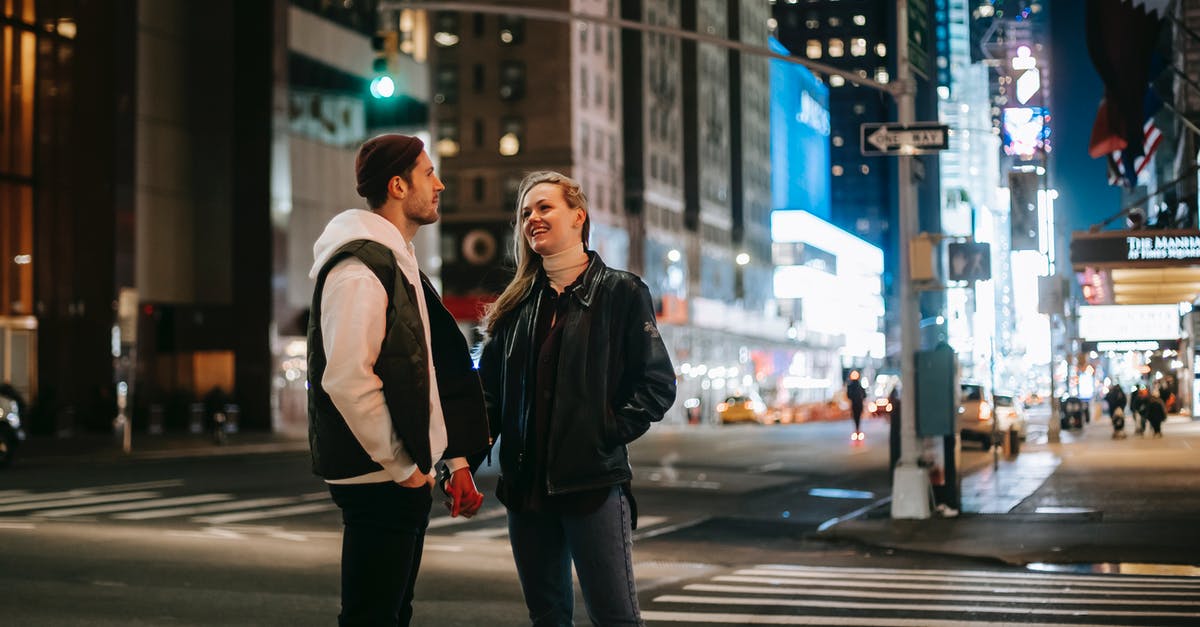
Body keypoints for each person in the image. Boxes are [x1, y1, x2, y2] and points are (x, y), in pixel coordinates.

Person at [474, 171, 676, 626]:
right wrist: (462, 462)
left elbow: (657, 383)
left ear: (578, 216)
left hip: (592, 488)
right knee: (547, 618)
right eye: (525, 212)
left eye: (544, 207)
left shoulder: (621, 291)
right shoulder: (517, 304)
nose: (532, 218)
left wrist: (604, 432)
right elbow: (488, 398)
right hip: (526, 493)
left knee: (615, 617)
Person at [307, 134, 491, 626]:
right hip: (379, 478)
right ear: (396, 185)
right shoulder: (359, 268)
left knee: (391, 614)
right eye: (429, 174)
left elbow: (425, 372)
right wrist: (402, 465)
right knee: (372, 617)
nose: (440, 184)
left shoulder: (397, 260)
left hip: (398, 474)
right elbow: (347, 378)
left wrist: (450, 460)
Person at [846, 371, 867, 440]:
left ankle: (857, 429)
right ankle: (857, 429)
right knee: (857, 417)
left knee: (856, 417)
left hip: (856, 404)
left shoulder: (852, 386)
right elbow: (864, 395)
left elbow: (849, 396)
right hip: (857, 404)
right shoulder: (858, 386)